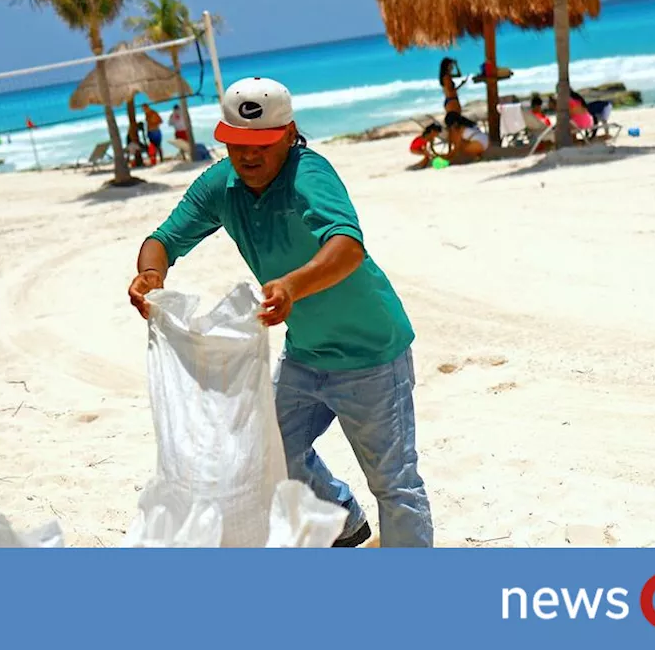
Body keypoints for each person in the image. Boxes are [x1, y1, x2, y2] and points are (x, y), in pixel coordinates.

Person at [127, 77, 433, 548]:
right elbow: (163, 240)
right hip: (305, 354)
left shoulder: (310, 175)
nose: (249, 157)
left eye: (262, 145)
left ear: (289, 134)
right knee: (265, 453)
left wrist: (292, 285)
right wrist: (151, 275)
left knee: (394, 484)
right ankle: (344, 521)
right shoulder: (221, 185)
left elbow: (347, 246)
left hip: (371, 355)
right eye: (238, 145)